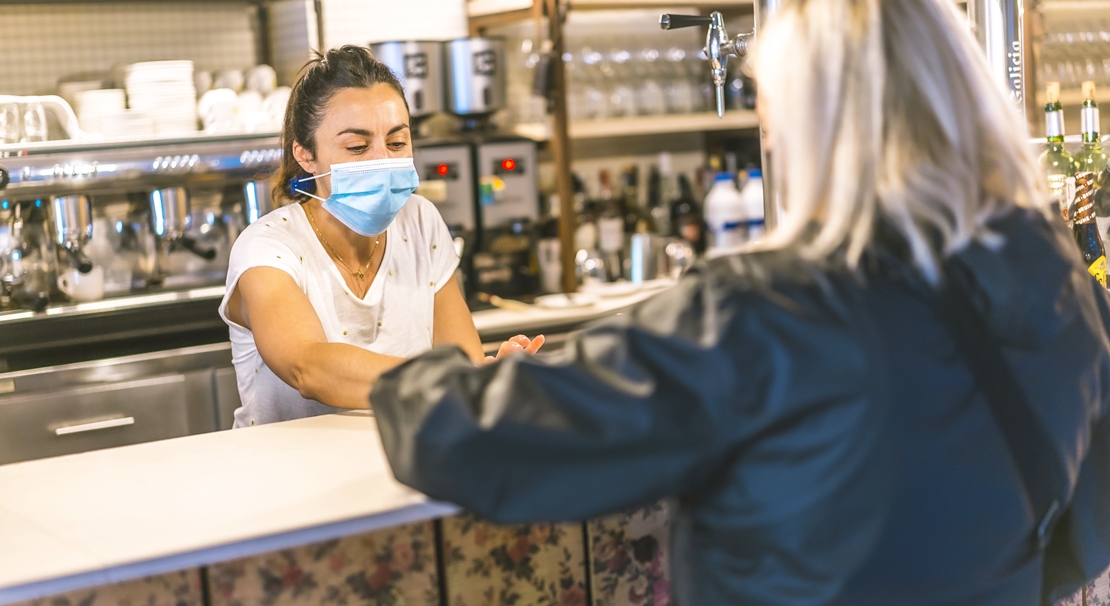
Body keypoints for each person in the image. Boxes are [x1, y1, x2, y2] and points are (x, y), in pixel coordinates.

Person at [368, 0, 1110, 604]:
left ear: (806, 119)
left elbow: (466, 438)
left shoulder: (767, 314)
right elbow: (1089, 529)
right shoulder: (1057, 283)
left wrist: (404, 379)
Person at [219, 46, 542, 427]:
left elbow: (461, 364)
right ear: (305, 155)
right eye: (357, 147)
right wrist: (443, 380)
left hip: (401, 464)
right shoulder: (268, 248)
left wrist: (486, 381)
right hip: (288, 476)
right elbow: (309, 367)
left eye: (397, 142)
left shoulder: (420, 221)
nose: (383, 161)